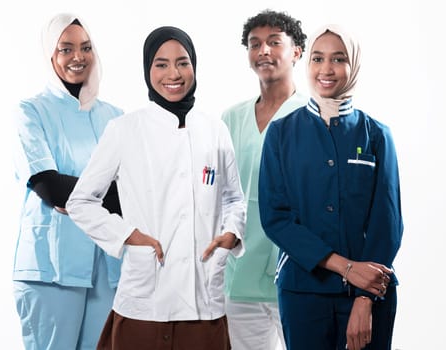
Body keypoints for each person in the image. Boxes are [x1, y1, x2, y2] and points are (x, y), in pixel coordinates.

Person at [66, 25, 246, 350]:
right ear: (147, 69)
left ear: (195, 65)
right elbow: (81, 201)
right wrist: (127, 235)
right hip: (144, 301)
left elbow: (234, 199)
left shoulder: (215, 130)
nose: (173, 73)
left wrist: (230, 235)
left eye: (183, 62)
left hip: (203, 302)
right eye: (161, 64)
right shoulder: (124, 130)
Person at [258, 24, 403, 350]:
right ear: (306, 64)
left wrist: (365, 297)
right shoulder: (281, 133)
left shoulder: (376, 135)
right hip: (302, 289)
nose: (326, 69)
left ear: (354, 65)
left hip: (370, 292)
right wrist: (345, 268)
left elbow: (387, 222)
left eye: (338, 59)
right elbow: (275, 218)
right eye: (318, 58)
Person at [12, 13, 123, 350]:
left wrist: (79, 196)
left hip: (107, 269)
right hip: (51, 269)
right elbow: (49, 185)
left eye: (86, 47)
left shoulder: (114, 117)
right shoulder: (32, 111)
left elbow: (136, 190)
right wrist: (106, 194)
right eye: (66, 49)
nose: (78, 57)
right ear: (51, 55)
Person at [221, 9, 307, 350]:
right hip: (240, 273)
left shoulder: (311, 116)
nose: (264, 51)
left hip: (297, 271)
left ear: (297, 51)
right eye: (255, 44)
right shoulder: (230, 118)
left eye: (274, 42)